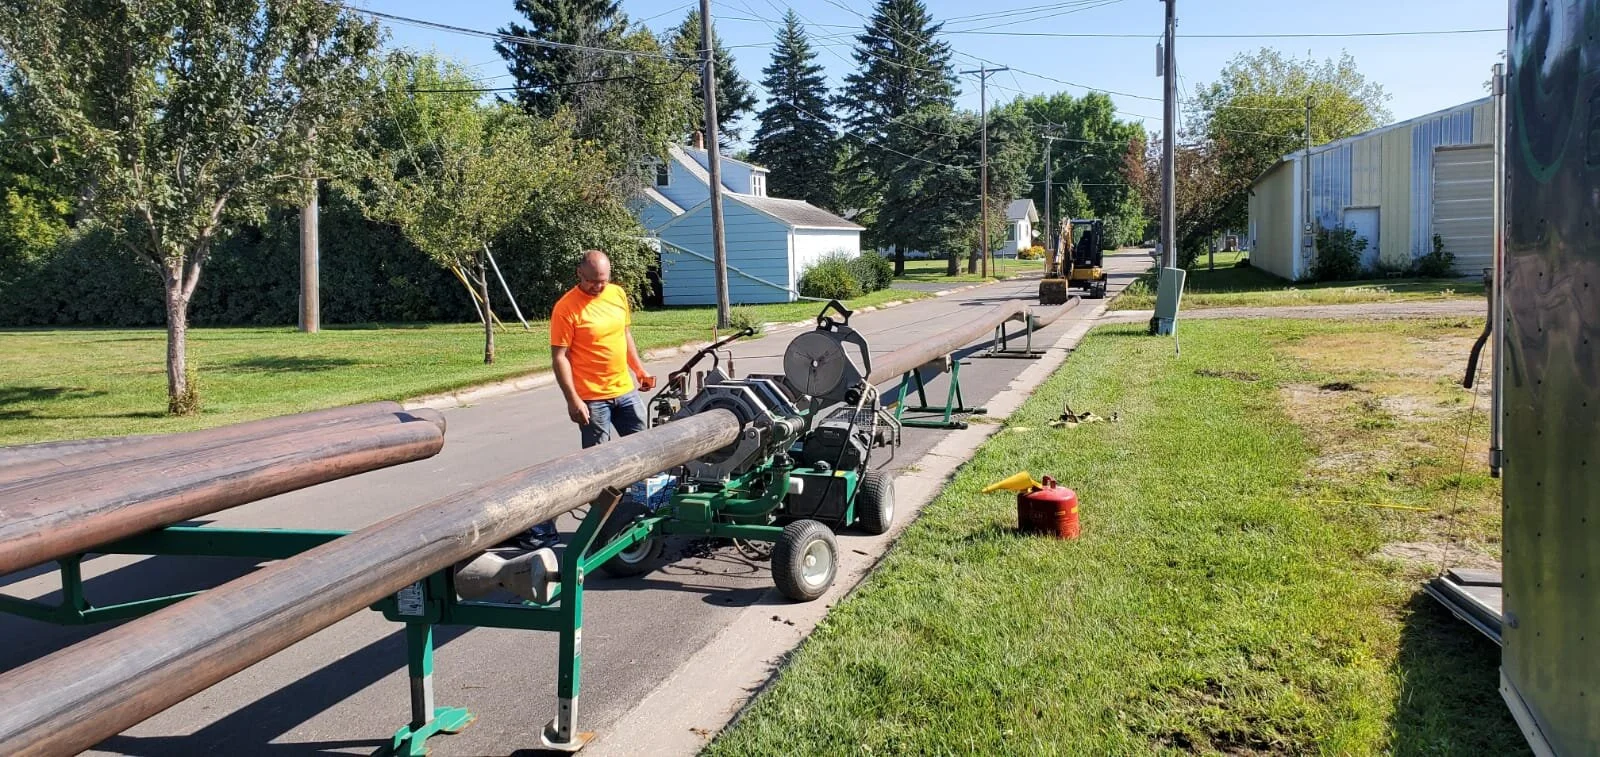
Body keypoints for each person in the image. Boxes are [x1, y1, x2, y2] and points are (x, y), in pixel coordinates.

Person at [514, 249, 655, 550]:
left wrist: (639, 369)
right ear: (580, 274)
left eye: (603, 281)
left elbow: (625, 335)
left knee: (644, 451)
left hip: (625, 391)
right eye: (593, 282)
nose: (599, 287)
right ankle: (601, 530)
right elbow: (559, 358)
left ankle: (639, 512)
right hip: (592, 399)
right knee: (596, 466)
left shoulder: (617, 295)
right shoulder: (566, 308)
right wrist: (573, 400)